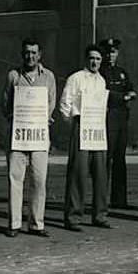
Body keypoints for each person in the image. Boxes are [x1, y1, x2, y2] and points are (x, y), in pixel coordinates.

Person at [1, 38, 56, 237]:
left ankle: (36, 224)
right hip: (18, 138)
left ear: (39, 55)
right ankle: (14, 224)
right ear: (22, 54)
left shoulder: (49, 77)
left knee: (39, 181)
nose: (30, 56)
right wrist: (16, 119)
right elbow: (5, 104)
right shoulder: (13, 76)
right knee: (15, 180)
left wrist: (43, 119)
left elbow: (51, 104)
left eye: (34, 52)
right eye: (27, 52)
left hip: (39, 138)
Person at [59, 44, 110, 231]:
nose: (94, 61)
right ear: (85, 59)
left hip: (98, 129)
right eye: (91, 58)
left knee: (100, 174)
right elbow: (65, 104)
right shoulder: (76, 78)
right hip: (81, 127)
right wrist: (73, 125)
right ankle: (73, 217)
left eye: (97, 58)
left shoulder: (102, 81)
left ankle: (100, 215)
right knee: (78, 173)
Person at [100, 37, 136, 209]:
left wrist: (130, 93)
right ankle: (101, 200)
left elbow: (130, 87)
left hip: (122, 119)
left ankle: (119, 199)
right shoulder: (99, 73)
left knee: (120, 159)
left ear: (117, 53)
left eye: (113, 52)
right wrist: (122, 97)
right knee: (106, 159)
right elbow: (103, 94)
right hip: (107, 118)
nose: (110, 55)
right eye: (107, 52)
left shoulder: (122, 72)